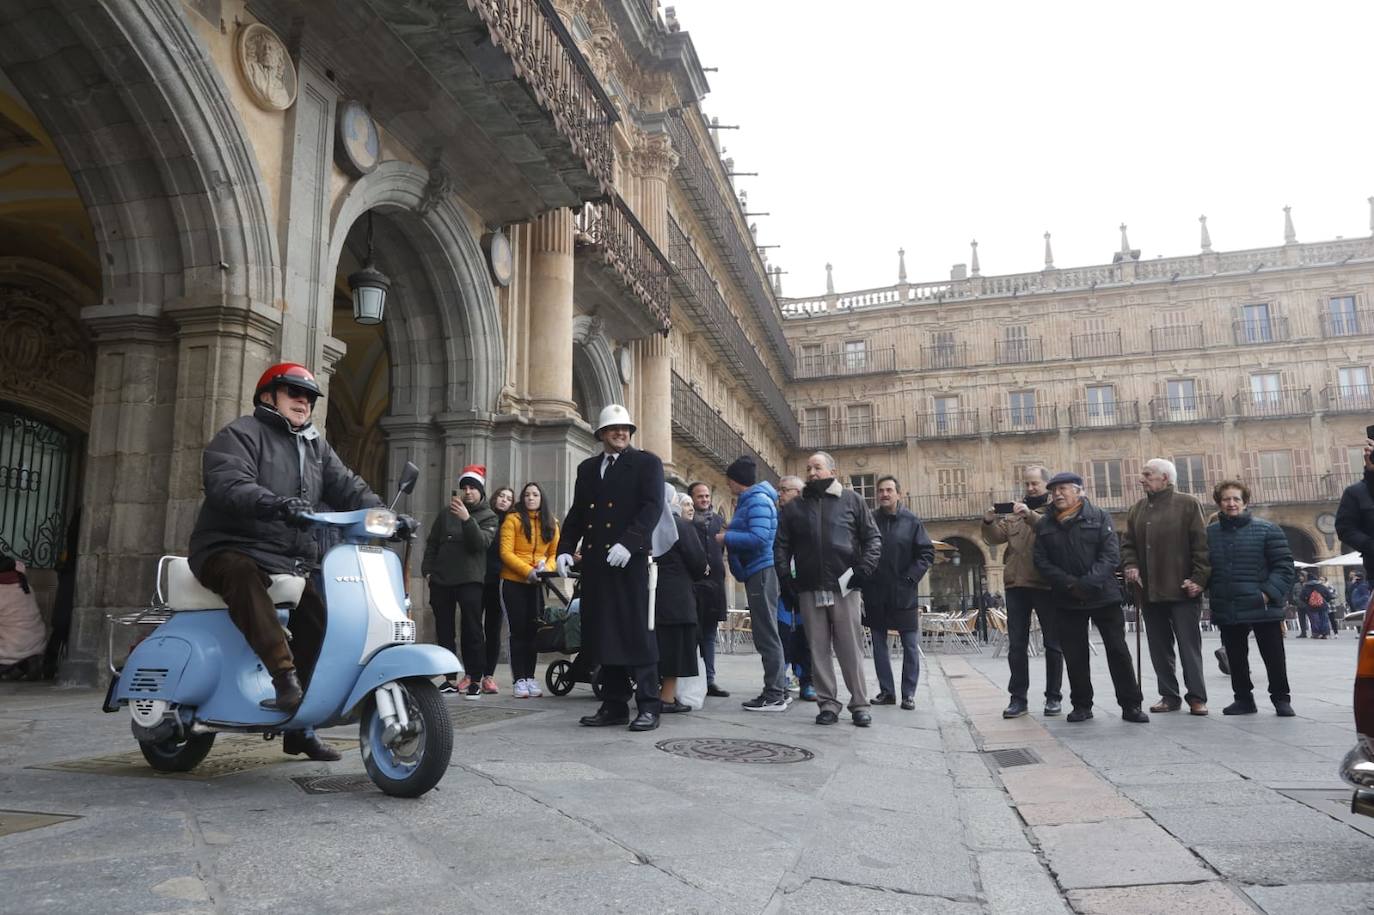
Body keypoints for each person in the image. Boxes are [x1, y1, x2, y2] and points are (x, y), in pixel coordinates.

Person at [188, 362, 388, 761]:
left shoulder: (316, 446)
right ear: (268, 396)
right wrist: (275, 503)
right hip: (229, 546)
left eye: (310, 396)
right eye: (293, 392)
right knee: (243, 574)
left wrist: (384, 514)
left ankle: (301, 726)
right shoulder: (240, 434)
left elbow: (349, 486)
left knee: (322, 623)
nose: (303, 401)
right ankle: (283, 679)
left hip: (285, 557)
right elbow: (228, 484)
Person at [557, 404, 667, 732]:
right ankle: (615, 704)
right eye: (614, 429)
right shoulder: (588, 468)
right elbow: (578, 513)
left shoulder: (647, 463)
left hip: (629, 562)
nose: (621, 433)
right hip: (596, 565)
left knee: (637, 632)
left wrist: (630, 542)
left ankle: (649, 704)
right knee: (604, 633)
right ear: (602, 434)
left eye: (626, 429)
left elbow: (652, 507)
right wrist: (564, 549)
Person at [775, 452, 882, 727]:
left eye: (817, 467)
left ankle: (859, 704)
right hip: (809, 587)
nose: (811, 472)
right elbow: (782, 545)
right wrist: (786, 578)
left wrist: (863, 571)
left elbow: (872, 538)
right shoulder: (794, 507)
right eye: (808, 468)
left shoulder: (853, 501)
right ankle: (828, 704)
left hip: (845, 586)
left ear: (833, 470)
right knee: (817, 648)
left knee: (850, 647)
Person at [1031, 471, 1148, 724]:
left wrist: (1087, 583)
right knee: (1075, 654)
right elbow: (1041, 560)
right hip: (1066, 597)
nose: (1058, 494)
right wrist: (1070, 584)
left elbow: (1110, 556)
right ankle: (1081, 705)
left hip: (1103, 595)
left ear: (1079, 491)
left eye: (1063, 489)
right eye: (1054, 490)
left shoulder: (1100, 516)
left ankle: (1131, 705)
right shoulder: (1044, 523)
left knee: (1118, 651)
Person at [1120, 459, 1211, 716]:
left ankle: (1197, 697)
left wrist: (1199, 579)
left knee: (1188, 646)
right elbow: (1127, 544)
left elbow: (1201, 546)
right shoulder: (1137, 509)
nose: (1142, 479)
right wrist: (1130, 564)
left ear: (1166, 478)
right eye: (1143, 474)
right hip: (1148, 590)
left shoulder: (1188, 504)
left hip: (1183, 589)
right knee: (1159, 648)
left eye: (1148, 474)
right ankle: (1169, 696)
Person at [1205, 480, 1296, 716]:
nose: (1231, 503)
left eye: (1236, 499)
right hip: (1229, 604)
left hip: (1262, 604)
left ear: (1245, 502)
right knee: (1235, 657)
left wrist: (1267, 594)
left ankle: (1281, 698)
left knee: (1274, 655)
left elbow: (1284, 567)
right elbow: (1204, 567)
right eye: (1226, 499)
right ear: (1219, 503)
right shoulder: (1210, 534)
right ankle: (1243, 699)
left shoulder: (1268, 529)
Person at [982, 464, 1063, 719]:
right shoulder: (1015, 515)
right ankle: (1018, 699)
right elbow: (995, 538)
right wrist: (988, 522)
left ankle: (1053, 697)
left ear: (1045, 486)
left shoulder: (1055, 511)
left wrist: (1029, 514)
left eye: (1034, 483)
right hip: (1016, 583)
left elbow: (1051, 533)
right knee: (1016, 645)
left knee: (1053, 643)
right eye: (1027, 484)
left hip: (1046, 584)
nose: (1030, 488)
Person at [422, 465, 499, 698]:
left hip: (470, 579)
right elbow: (432, 543)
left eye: (473, 488)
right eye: (464, 487)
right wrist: (428, 571)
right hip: (442, 579)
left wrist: (467, 519)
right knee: (444, 629)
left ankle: (475, 677)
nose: (468, 492)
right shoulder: (446, 513)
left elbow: (480, 543)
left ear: (481, 491)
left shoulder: (489, 516)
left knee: (472, 629)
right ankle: (449, 677)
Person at [719, 455, 788, 712]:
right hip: (758, 571)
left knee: (766, 633)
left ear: (738, 481)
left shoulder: (757, 501)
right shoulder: (754, 501)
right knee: (767, 632)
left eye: (730, 480)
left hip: (761, 571)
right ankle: (776, 689)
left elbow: (758, 538)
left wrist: (725, 537)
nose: (728, 485)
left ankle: (774, 694)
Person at [862, 476, 934, 711]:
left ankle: (908, 694)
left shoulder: (912, 521)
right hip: (875, 593)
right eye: (881, 490)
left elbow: (926, 554)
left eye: (889, 490)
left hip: (904, 593)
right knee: (879, 645)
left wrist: (910, 579)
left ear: (898, 494)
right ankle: (887, 692)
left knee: (910, 645)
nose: (884, 494)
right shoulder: (869, 520)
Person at [499, 482, 559, 699]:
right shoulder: (512, 520)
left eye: (535, 494)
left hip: (537, 584)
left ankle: (531, 677)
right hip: (514, 582)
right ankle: (519, 679)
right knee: (518, 631)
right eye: (526, 495)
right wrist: (527, 571)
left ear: (541, 498)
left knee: (534, 631)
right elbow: (506, 553)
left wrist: (546, 569)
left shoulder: (551, 523)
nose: (530, 498)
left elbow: (554, 553)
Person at [657, 490, 708, 712]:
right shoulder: (681, 526)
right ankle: (667, 698)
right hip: (676, 597)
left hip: (649, 595)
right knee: (675, 647)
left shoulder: (645, 524)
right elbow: (698, 563)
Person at [688, 481, 730, 698]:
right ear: (692, 499)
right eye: (700, 496)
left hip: (714, 586)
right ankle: (690, 679)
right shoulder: (686, 522)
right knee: (691, 634)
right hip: (691, 586)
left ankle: (710, 680)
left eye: (706, 496)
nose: (704, 499)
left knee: (709, 634)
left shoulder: (720, 522)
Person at [774, 476, 815, 701]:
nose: (779, 494)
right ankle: (780, 677)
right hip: (782, 585)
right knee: (781, 634)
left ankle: (807, 680)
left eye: (784, 490)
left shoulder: (810, 517)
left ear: (797, 493)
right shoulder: (776, 518)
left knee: (806, 635)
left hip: (805, 586)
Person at [481, 486, 515, 694]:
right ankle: (472, 674)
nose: (504, 500)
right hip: (477, 579)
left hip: (499, 581)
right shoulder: (484, 519)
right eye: (501, 496)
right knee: (474, 629)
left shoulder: (511, 524)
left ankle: (489, 676)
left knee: (492, 630)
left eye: (509, 498)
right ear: (494, 498)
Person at [0, 556, 47, 680]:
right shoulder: (24, 585)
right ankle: (24, 665)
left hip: (12, 649)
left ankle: (13, 667)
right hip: (36, 644)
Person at [1299, 572, 1336, 638]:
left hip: (1311, 606)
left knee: (1314, 620)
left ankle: (1316, 633)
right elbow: (1329, 596)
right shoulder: (1321, 586)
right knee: (1324, 619)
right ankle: (1325, 633)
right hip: (1322, 605)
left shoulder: (1306, 587)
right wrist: (1325, 600)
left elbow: (1301, 597)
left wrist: (1307, 601)